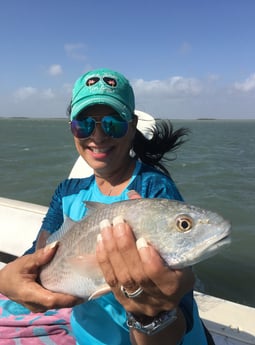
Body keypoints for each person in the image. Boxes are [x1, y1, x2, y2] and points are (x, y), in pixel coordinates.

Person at [0, 68, 214, 345]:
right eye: (84, 124)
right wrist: (8, 280)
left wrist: (150, 314)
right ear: (72, 129)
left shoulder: (153, 190)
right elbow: (38, 255)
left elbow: (176, 313)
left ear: (132, 125)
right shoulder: (67, 192)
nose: (98, 136)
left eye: (113, 124)